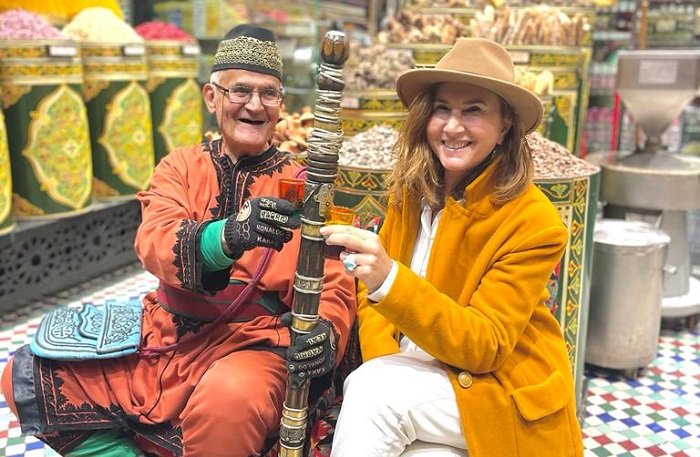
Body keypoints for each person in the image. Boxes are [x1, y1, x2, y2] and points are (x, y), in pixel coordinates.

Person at [1, 24, 356, 457]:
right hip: (165, 335)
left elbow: (333, 279)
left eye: (269, 94)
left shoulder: (299, 184)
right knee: (31, 371)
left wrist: (326, 332)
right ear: (212, 97)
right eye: (240, 91)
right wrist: (227, 236)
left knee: (229, 400)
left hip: (250, 341)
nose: (255, 105)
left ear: (281, 106)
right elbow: (154, 238)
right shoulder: (180, 166)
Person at [321, 37, 584, 456]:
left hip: (497, 390)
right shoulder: (411, 191)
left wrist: (390, 279)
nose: (453, 127)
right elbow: (372, 304)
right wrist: (389, 362)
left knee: (372, 392)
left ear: (505, 125)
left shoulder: (534, 223)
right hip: (423, 385)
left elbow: (485, 345)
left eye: (474, 110)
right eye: (442, 109)